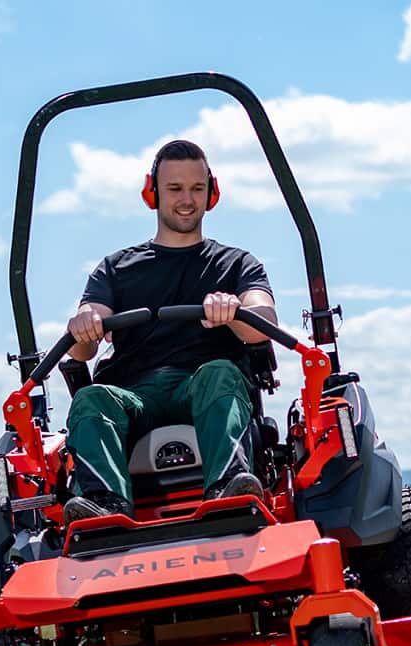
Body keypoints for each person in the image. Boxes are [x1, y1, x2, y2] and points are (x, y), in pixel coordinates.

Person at [60, 139, 279, 521]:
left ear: (212, 193)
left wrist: (236, 311)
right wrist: (83, 323)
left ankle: (228, 489)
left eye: (196, 188)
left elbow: (264, 320)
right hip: (133, 395)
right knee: (92, 398)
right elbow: (83, 342)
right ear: (153, 193)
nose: (186, 200)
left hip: (203, 385)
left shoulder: (237, 263)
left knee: (220, 372)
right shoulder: (116, 268)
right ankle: (105, 507)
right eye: (175, 188)